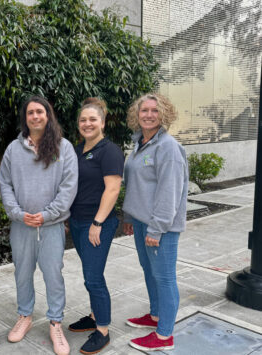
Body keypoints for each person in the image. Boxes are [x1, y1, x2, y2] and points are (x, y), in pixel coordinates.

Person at [0, 96, 78, 355]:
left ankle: (56, 321)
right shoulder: (13, 149)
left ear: (48, 115)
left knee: (53, 275)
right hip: (21, 226)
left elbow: (68, 188)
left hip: (51, 226)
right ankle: (25, 315)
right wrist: (17, 213)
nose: (35, 116)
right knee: (22, 273)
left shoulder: (63, 148)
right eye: (30, 112)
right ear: (25, 118)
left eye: (39, 112)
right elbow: (6, 185)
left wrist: (47, 214)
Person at [122, 93, 188, 352]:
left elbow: (169, 191)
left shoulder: (168, 147)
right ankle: (156, 315)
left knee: (164, 277)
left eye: (154, 110)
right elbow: (134, 185)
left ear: (164, 114)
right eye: (144, 111)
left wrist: (157, 228)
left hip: (162, 227)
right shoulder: (139, 143)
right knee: (149, 271)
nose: (148, 115)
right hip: (140, 221)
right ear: (136, 115)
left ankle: (164, 336)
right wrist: (129, 217)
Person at [67, 98, 124, 354]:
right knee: (90, 272)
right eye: (83, 120)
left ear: (102, 122)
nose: (87, 123)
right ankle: (93, 314)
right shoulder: (77, 149)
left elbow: (112, 189)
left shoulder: (109, 150)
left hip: (97, 222)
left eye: (93, 119)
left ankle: (102, 329)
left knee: (93, 277)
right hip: (78, 221)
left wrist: (98, 223)